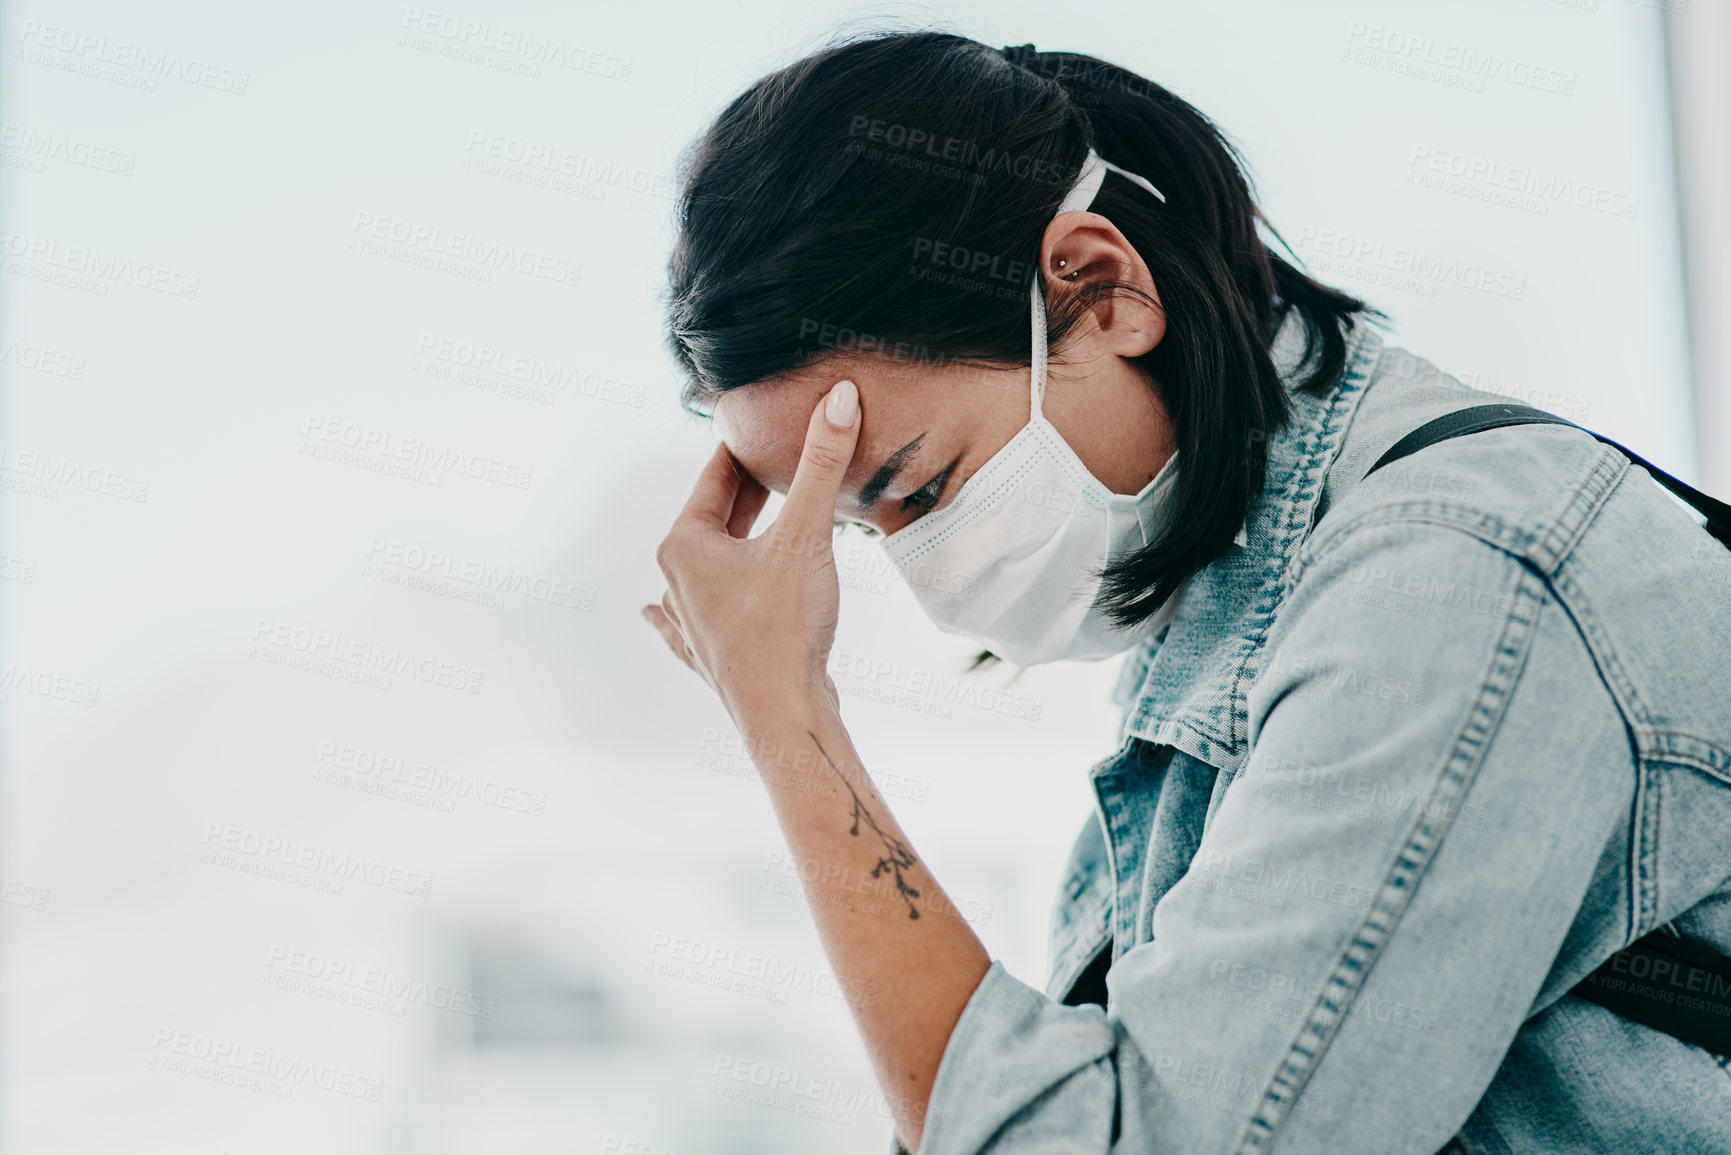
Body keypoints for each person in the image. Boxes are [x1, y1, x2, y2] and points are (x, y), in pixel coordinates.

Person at [642, 30, 1731, 1155]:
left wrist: (787, 718)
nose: (923, 572)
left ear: (1104, 289)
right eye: (868, 536)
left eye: (920, 487)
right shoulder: (1238, 616)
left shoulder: (1452, 580)